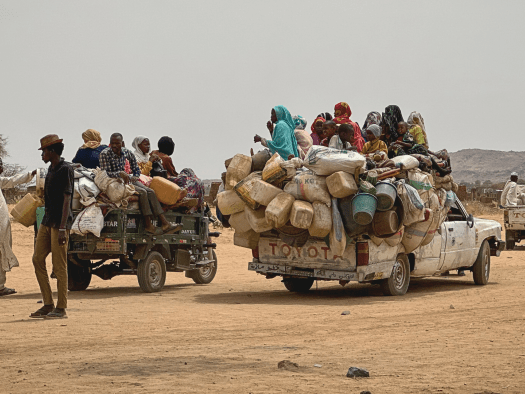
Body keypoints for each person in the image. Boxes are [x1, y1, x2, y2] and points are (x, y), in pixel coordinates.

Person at [99, 133, 181, 235]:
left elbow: (136, 170)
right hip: (113, 180)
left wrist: (134, 176)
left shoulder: (127, 153)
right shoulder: (104, 154)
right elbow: (105, 172)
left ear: (122, 143)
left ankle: (164, 222)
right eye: (113, 143)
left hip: (128, 179)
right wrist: (119, 174)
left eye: (117, 143)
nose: (115, 146)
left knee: (150, 191)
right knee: (142, 192)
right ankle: (148, 225)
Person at [30, 135, 73, 319]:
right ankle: (48, 303)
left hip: (59, 225)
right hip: (47, 222)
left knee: (59, 266)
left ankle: (61, 307)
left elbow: (67, 199)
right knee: (37, 259)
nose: (42, 155)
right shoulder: (51, 169)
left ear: (52, 151)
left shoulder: (65, 169)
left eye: (44, 151)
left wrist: (63, 228)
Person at [0, 158, 36, 296]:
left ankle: (0, 286)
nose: (2, 168)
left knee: (2, 253)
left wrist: (30, 175)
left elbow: (12, 180)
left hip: (2, 228)